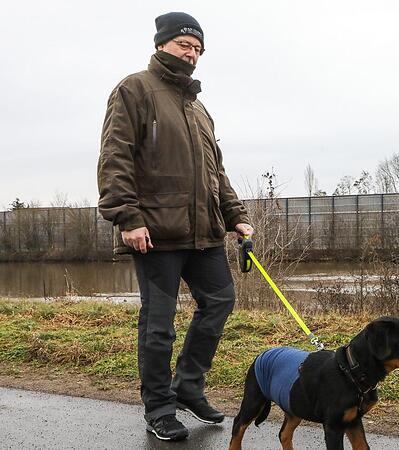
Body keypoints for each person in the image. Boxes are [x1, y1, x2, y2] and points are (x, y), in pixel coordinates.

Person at [97, 12, 253, 442]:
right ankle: (159, 408)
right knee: (158, 323)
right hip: (154, 234)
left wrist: (235, 214)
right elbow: (116, 157)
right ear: (163, 43)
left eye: (199, 48)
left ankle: (187, 386)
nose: (193, 54)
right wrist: (127, 216)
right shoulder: (134, 89)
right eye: (186, 44)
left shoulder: (199, 108)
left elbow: (216, 172)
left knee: (220, 300)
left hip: (203, 233)